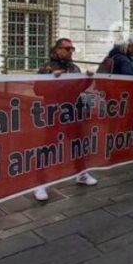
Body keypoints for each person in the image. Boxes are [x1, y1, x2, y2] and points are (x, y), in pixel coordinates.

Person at [32, 38, 97, 201]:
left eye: (72, 49)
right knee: (49, 146)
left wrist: (88, 79)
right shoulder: (47, 68)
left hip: (73, 111)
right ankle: (39, 183)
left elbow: (79, 88)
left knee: (78, 144)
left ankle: (81, 173)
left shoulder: (74, 67)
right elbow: (37, 89)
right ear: (57, 49)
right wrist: (53, 80)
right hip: (54, 113)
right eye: (67, 49)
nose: (70, 52)